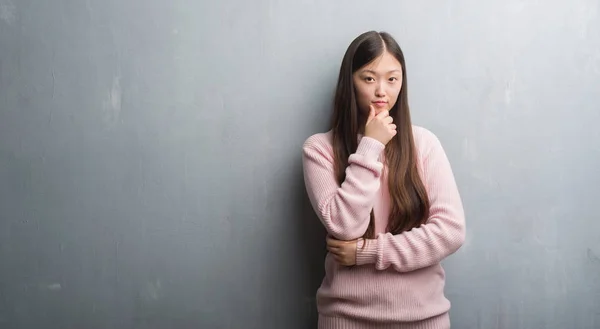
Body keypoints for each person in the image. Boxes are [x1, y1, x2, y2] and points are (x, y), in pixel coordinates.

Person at [301, 30, 466, 329]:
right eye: (368, 78)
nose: (382, 91)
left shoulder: (424, 144)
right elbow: (344, 226)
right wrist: (371, 146)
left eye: (392, 79)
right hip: (346, 319)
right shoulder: (319, 149)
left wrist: (368, 252)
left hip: (423, 318)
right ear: (349, 82)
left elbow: (450, 232)